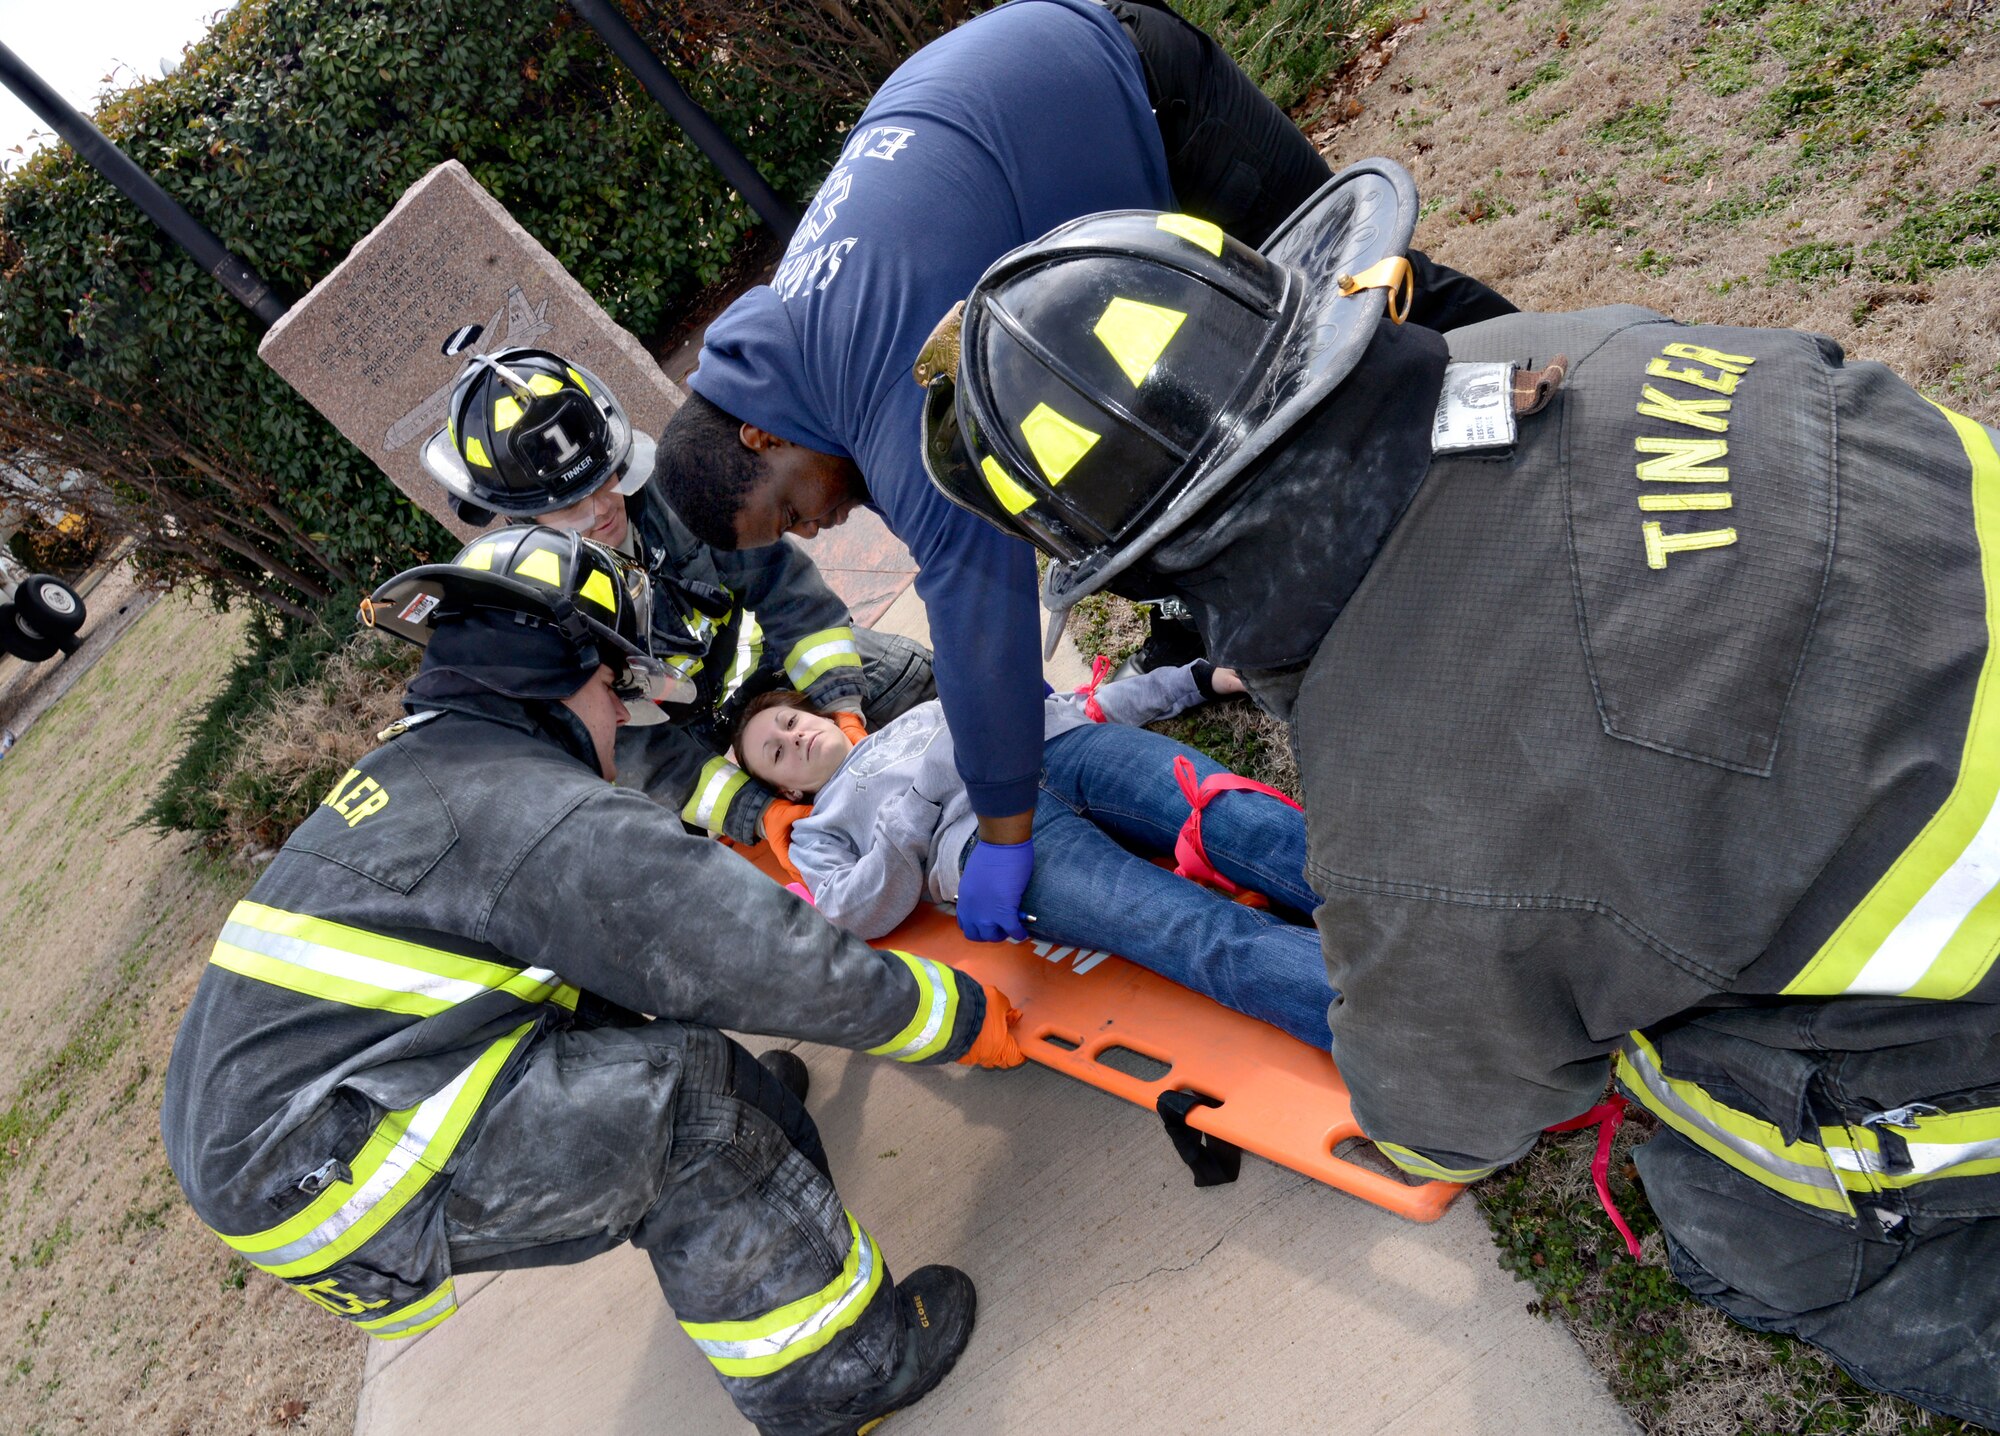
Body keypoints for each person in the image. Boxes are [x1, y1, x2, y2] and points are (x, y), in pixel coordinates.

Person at [908, 156, 2000, 1426]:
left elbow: (1450, 1113)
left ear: (1166, 559)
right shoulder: (1582, 347)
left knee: (1721, 1211)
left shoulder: (1428, 813)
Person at [651, 0, 1513, 947]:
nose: (816, 532)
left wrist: (1008, 828)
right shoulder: (799, 352)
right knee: (1193, 388)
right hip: (1022, 90)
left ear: (757, 440)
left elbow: (978, 619)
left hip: (1128, 88)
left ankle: (1551, 383)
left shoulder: (874, 378)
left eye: (789, 517)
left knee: (1348, 297)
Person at [159, 524, 1027, 1436]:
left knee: (621, 1018)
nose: (623, 721)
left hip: (295, 1114)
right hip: (318, 1160)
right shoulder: (536, 811)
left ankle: (764, 1174)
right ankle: (843, 1376)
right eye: (619, 693)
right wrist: (951, 1015)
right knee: (697, 1112)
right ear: (570, 680)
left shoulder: (427, 767)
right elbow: (747, 953)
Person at [420, 345, 934, 846]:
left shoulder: (677, 490)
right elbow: (638, 749)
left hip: (780, 673)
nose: (603, 509)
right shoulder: (536, 618)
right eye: (573, 506)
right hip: (687, 751)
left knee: (923, 687)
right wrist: (760, 813)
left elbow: (786, 592)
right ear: (523, 518)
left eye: (608, 478)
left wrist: (841, 705)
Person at [733, 660, 1336, 1047]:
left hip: (1058, 749)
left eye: (789, 721)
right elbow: (852, 910)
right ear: (788, 791)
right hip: (989, 844)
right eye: (778, 753)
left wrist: (1195, 680)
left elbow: (1076, 706)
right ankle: (1391, 1016)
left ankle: (1416, 913)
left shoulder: (918, 715)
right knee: (1188, 928)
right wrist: (919, 801)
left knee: (1239, 821)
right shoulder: (818, 829)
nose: (794, 737)